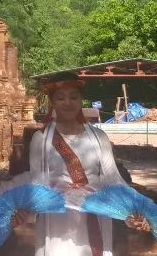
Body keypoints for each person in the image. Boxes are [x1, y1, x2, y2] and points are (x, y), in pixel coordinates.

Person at [16, 72, 146, 256]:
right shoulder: (42, 139)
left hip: (95, 211)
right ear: (52, 102)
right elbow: (37, 182)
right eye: (61, 98)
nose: (68, 103)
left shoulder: (99, 137)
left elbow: (112, 177)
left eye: (74, 97)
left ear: (81, 100)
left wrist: (131, 209)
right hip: (58, 216)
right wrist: (25, 211)